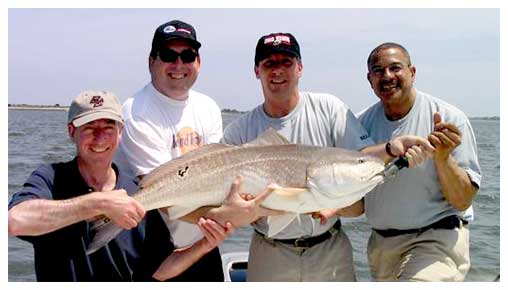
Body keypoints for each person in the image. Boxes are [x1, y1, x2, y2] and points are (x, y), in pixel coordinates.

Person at [221, 32, 433, 282]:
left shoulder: (330, 109)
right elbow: (225, 208)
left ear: (299, 68)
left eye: (286, 62)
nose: (278, 70)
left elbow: (359, 160)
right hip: (269, 251)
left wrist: (390, 148)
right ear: (257, 71)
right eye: (269, 64)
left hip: (329, 252)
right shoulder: (239, 131)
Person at [7, 90, 234, 281]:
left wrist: (204, 245)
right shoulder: (50, 178)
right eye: (89, 126)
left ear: (120, 133)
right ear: (71, 132)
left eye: (108, 126)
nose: (100, 137)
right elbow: (14, 221)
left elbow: (158, 269)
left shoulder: (139, 192)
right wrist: (98, 203)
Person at [113, 19, 230, 281]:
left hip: (205, 242)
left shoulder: (208, 107)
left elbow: (219, 173)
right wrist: (231, 215)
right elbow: (163, 195)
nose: (178, 65)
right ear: (151, 61)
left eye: (187, 55)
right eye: (168, 55)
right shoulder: (136, 112)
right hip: (156, 250)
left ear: (198, 62)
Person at [358, 42, 481, 281]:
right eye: (378, 70)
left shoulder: (450, 119)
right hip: (381, 248)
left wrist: (442, 158)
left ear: (412, 73)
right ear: (369, 79)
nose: (387, 76)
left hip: (436, 241)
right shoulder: (359, 124)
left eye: (395, 68)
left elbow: (462, 199)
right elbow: (355, 206)